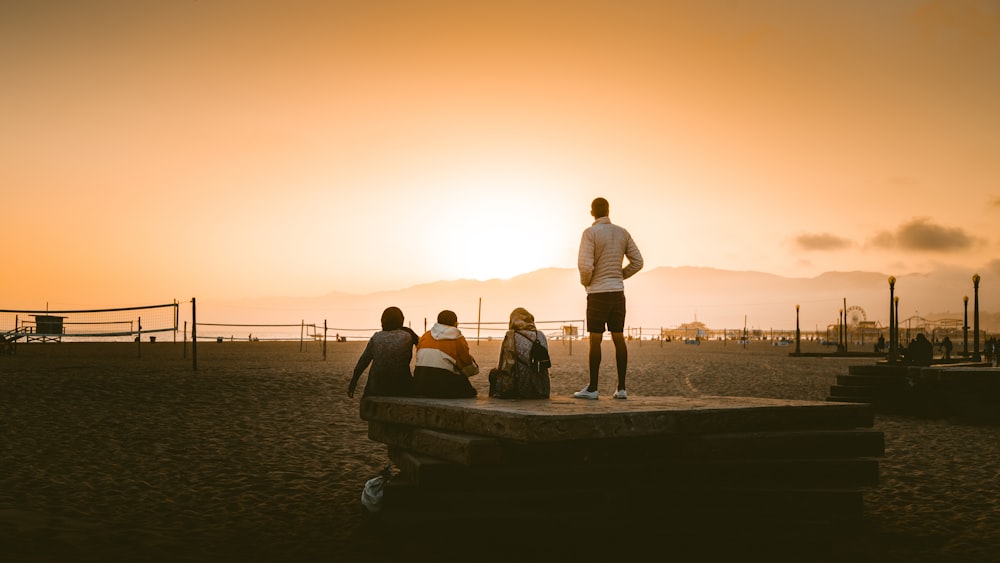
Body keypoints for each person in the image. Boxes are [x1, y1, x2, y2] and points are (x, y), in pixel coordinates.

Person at [574, 197, 643, 400]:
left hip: (597, 293)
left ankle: (593, 388)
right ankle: (621, 388)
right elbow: (638, 261)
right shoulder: (622, 232)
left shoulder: (590, 233)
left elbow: (585, 266)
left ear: (592, 212)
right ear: (608, 211)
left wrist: (586, 282)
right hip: (617, 293)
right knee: (618, 337)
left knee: (595, 340)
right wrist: (620, 274)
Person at [347, 306, 419, 399]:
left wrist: (353, 383)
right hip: (401, 387)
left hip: (376, 387)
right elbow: (422, 348)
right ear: (401, 320)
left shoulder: (376, 337)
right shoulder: (408, 335)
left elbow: (363, 362)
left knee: (375, 372)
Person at [413, 310, 479, 398]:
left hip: (420, 381)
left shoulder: (425, 336)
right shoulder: (457, 337)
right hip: (442, 383)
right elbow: (466, 365)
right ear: (455, 324)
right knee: (469, 390)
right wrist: (475, 368)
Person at [488, 307, 551, 399]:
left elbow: (504, 365)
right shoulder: (540, 335)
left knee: (493, 373)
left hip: (519, 389)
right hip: (542, 389)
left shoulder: (511, 335)